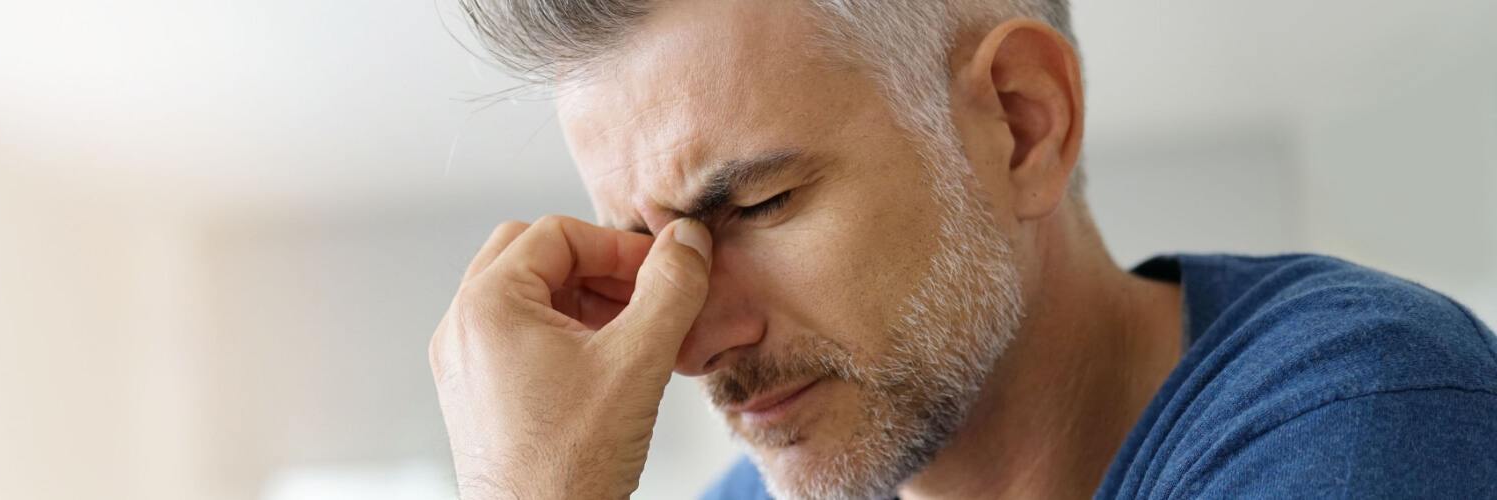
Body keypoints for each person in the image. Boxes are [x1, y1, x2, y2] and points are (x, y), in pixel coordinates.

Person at [425, 0, 1497, 498]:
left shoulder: (1363, 418)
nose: (693, 340)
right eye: (646, 247)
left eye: (761, 204)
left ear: (1022, 127)